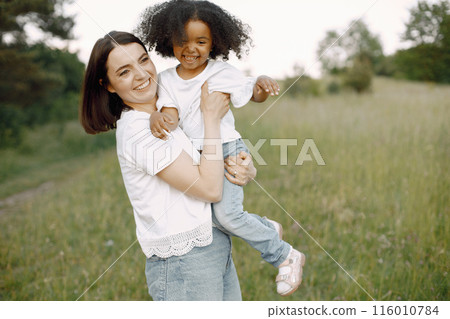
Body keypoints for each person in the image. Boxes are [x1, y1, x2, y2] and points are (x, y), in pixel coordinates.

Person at [137, 0, 305, 296]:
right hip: (195, 155)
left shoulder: (221, 71)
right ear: (169, 41)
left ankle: (284, 254)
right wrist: (157, 115)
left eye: (201, 41)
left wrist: (261, 86)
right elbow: (172, 116)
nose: (192, 49)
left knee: (226, 216)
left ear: (215, 43)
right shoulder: (166, 80)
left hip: (226, 149)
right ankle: (264, 226)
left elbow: (250, 94)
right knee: (210, 218)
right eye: (182, 41)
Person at [79, 31, 257, 300]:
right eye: (125, 72)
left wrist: (245, 169)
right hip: (183, 262)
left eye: (143, 61)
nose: (141, 74)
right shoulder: (138, 130)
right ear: (109, 85)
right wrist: (210, 117)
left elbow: (208, 163)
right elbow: (209, 188)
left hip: (213, 245)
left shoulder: (165, 115)